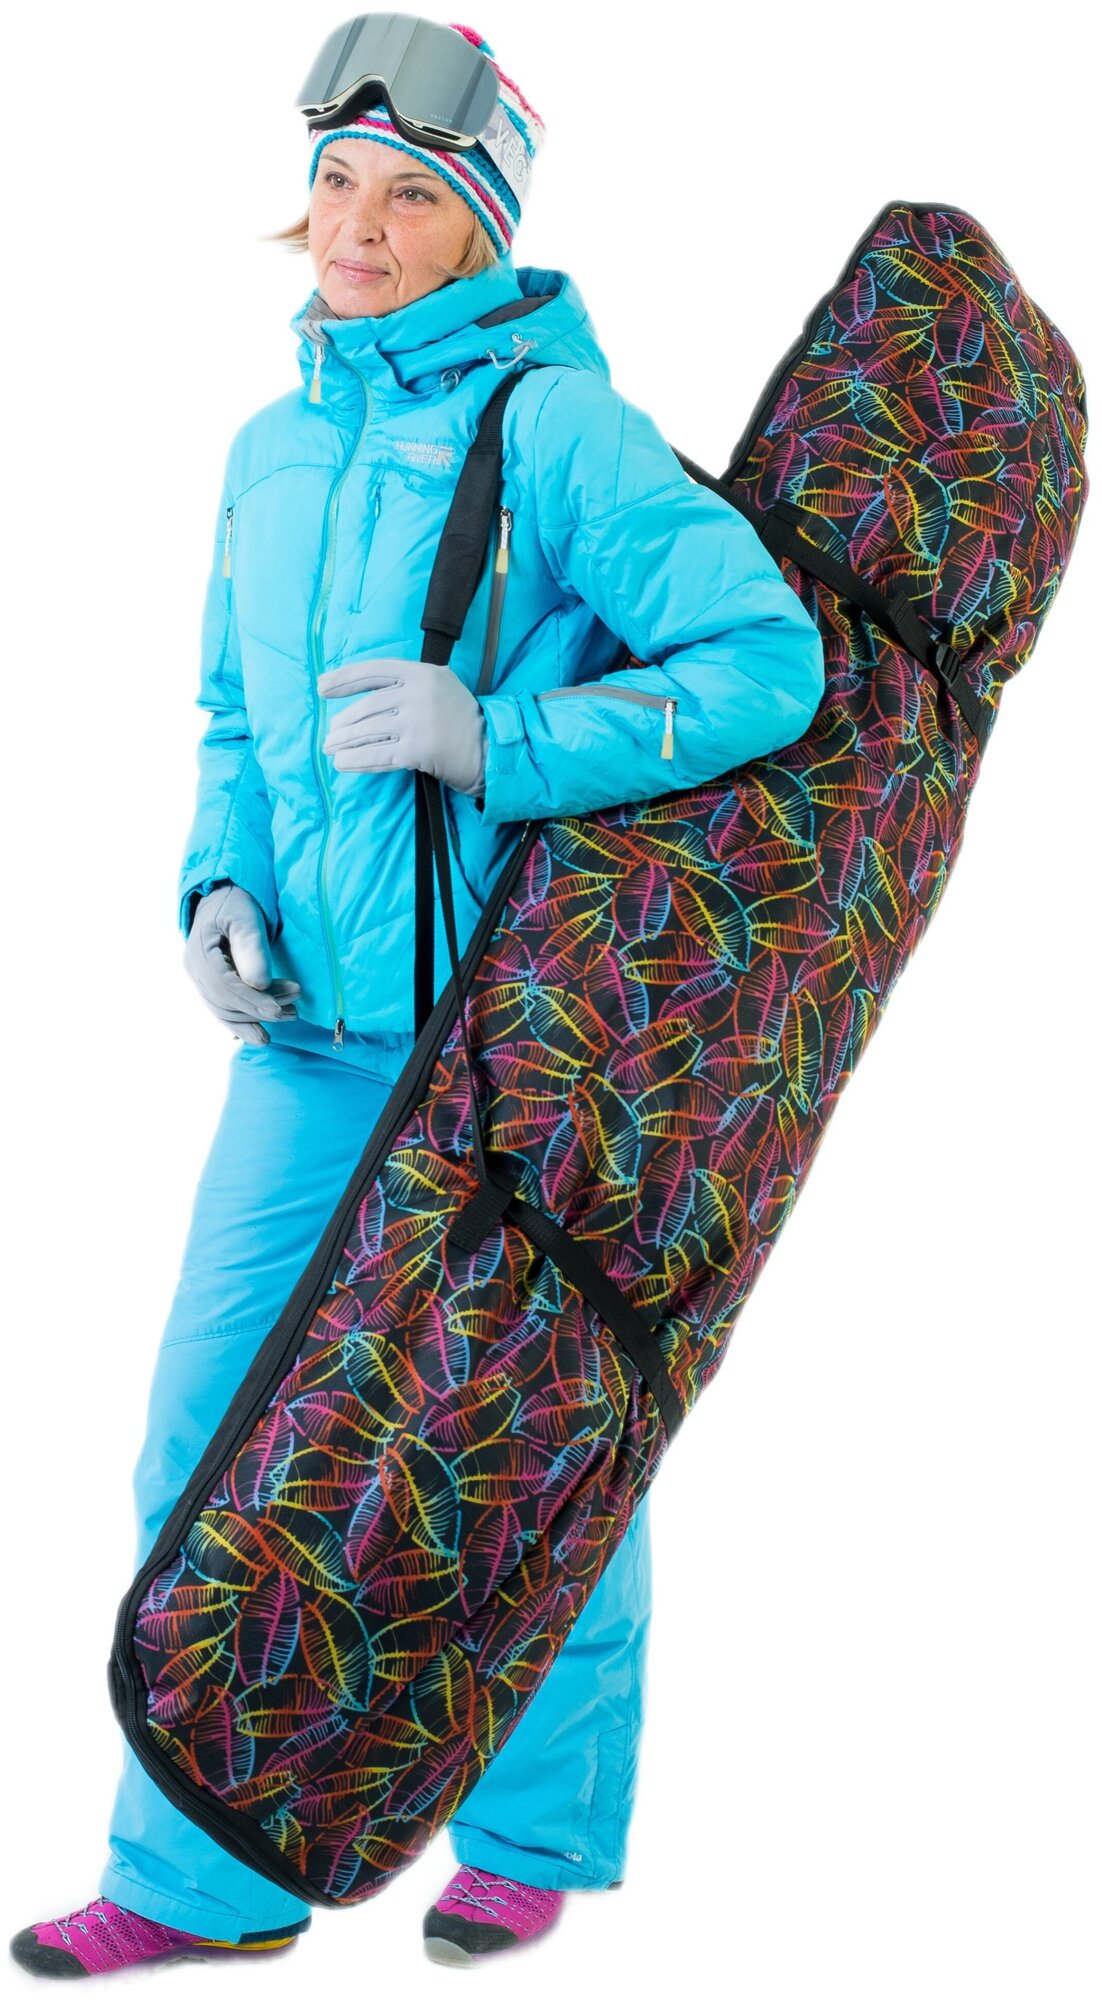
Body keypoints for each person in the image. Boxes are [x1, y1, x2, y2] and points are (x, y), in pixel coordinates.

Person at [10, 16, 825, 1979]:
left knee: (526, 1444)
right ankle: (198, 1879)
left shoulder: (555, 427)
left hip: (501, 1046)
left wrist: (499, 737)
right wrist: (214, 884)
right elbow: (236, 718)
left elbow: (766, 660)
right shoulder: (270, 445)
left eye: (407, 197)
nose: (355, 228)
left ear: (481, 228)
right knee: (210, 1434)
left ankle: (535, 1832)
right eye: (335, 184)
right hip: (308, 1047)